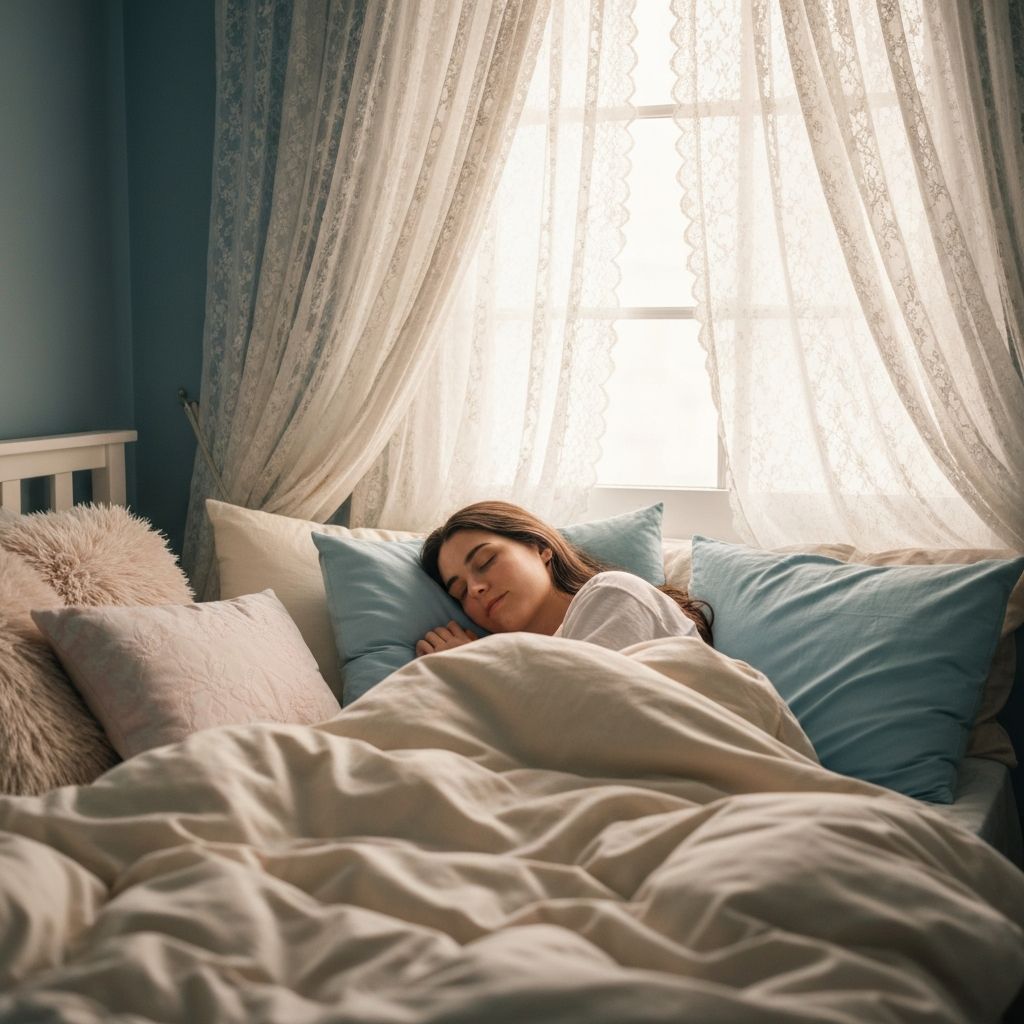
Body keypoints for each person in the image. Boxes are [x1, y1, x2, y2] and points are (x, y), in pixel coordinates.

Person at [416, 501, 712, 657]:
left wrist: (473, 665)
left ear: (540, 547)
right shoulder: (512, 665)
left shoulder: (614, 594)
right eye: (460, 592)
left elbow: (586, 715)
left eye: (486, 561)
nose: (476, 589)